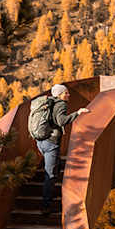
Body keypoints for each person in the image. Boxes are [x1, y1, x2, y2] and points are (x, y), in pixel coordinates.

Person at [28, 83, 89, 215]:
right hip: (51, 144)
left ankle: (52, 192)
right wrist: (78, 113)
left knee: (57, 166)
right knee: (50, 175)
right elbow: (61, 121)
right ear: (60, 94)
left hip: (40, 142)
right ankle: (46, 206)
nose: (68, 95)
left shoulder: (49, 103)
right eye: (66, 93)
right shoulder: (61, 104)